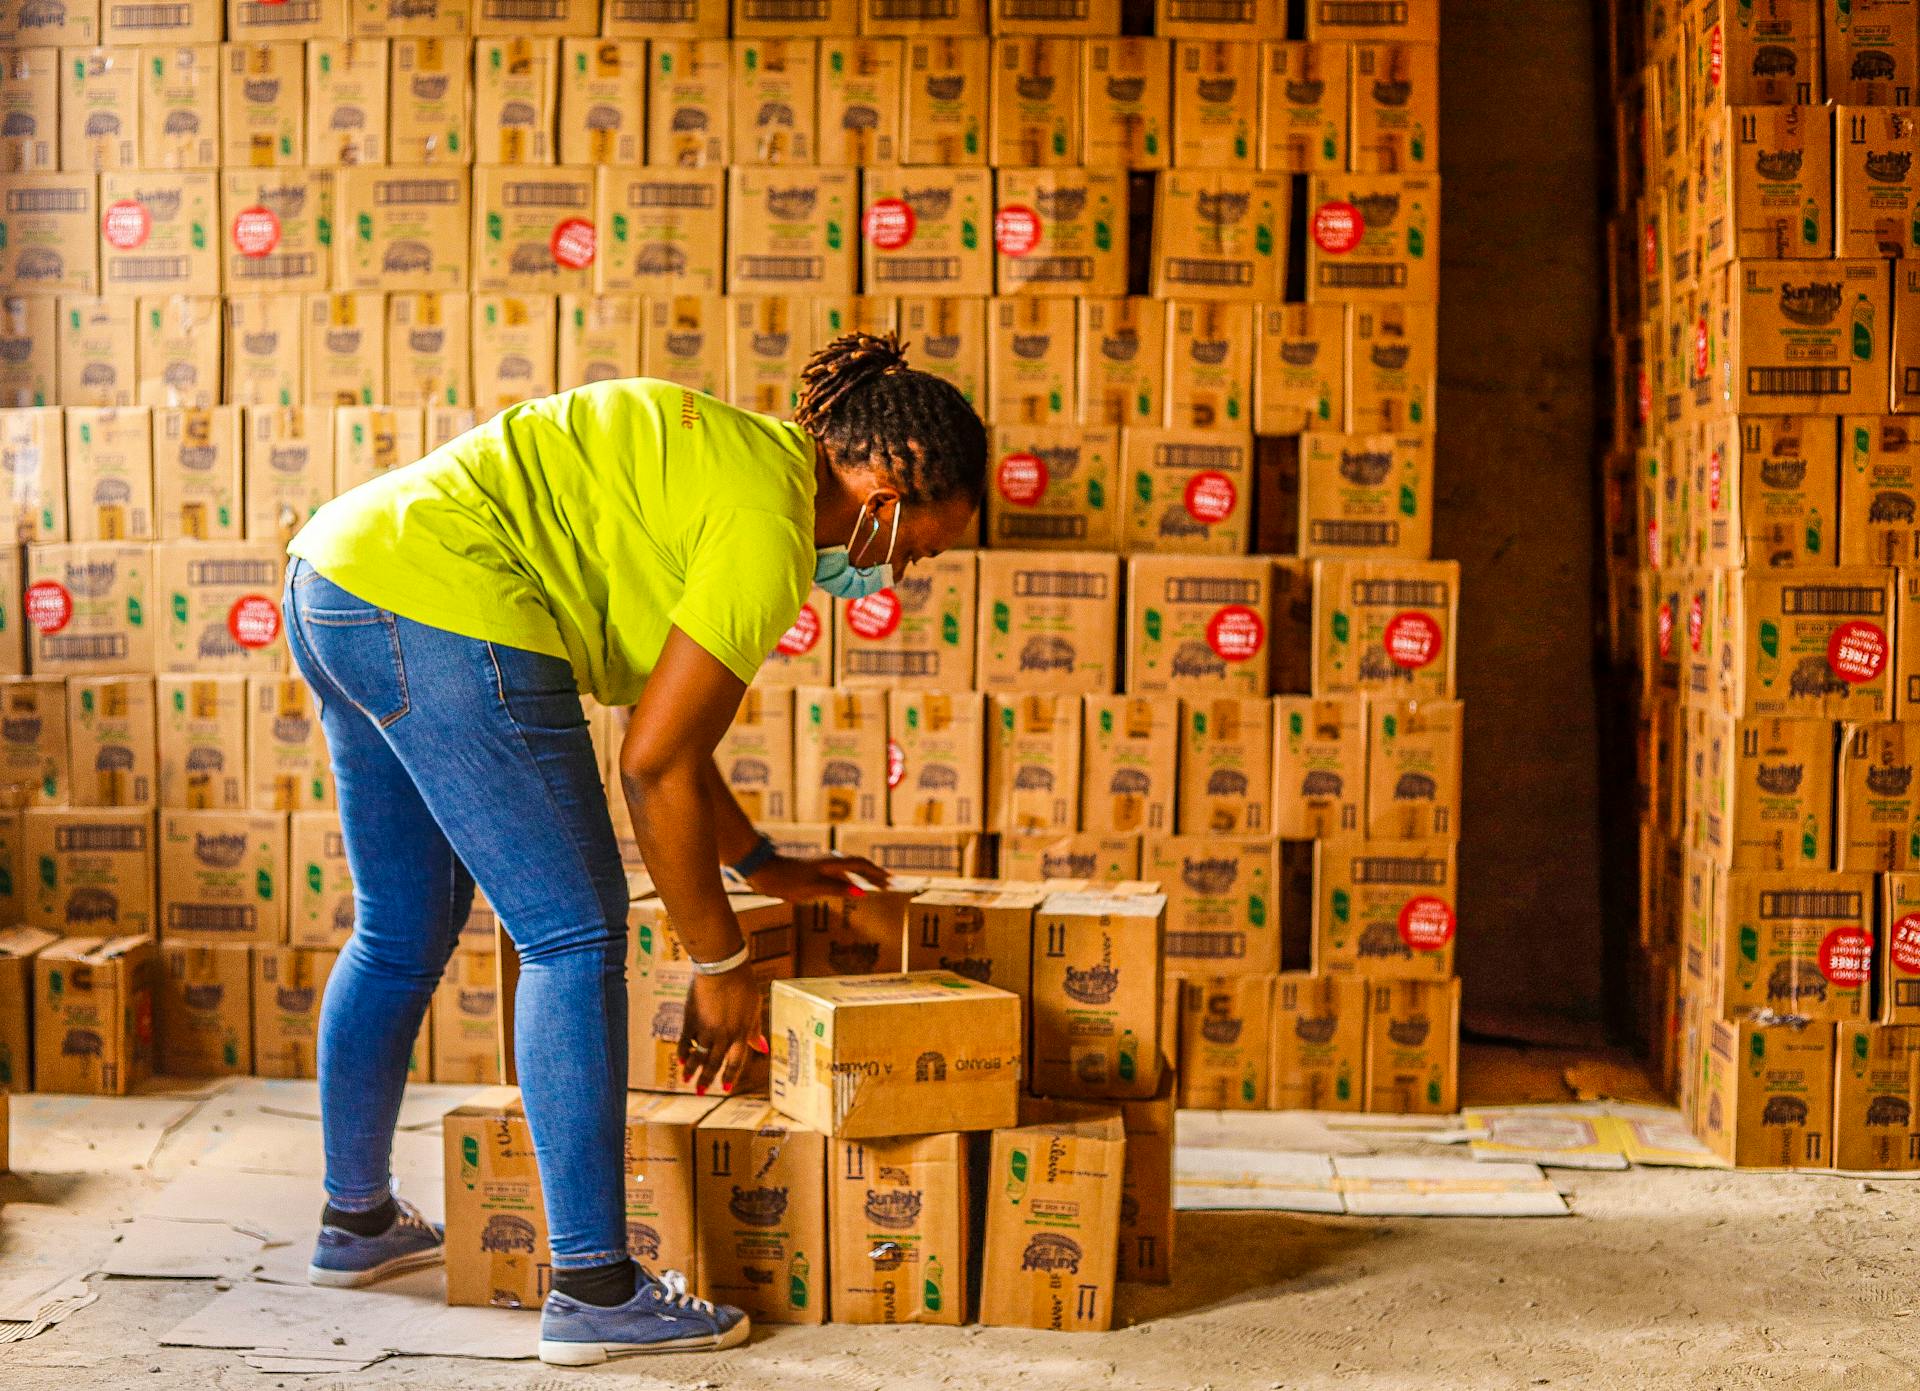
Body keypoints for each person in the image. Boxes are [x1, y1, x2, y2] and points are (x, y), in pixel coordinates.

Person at [280, 333, 987, 1365]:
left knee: (401, 927)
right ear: (882, 488)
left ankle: (356, 1222)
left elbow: (670, 730)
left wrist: (759, 864)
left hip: (338, 579)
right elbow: (653, 765)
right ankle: (596, 1287)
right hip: (444, 605)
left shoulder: (744, 466)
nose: (904, 569)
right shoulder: (769, 532)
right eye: (921, 545)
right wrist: (722, 964)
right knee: (574, 935)